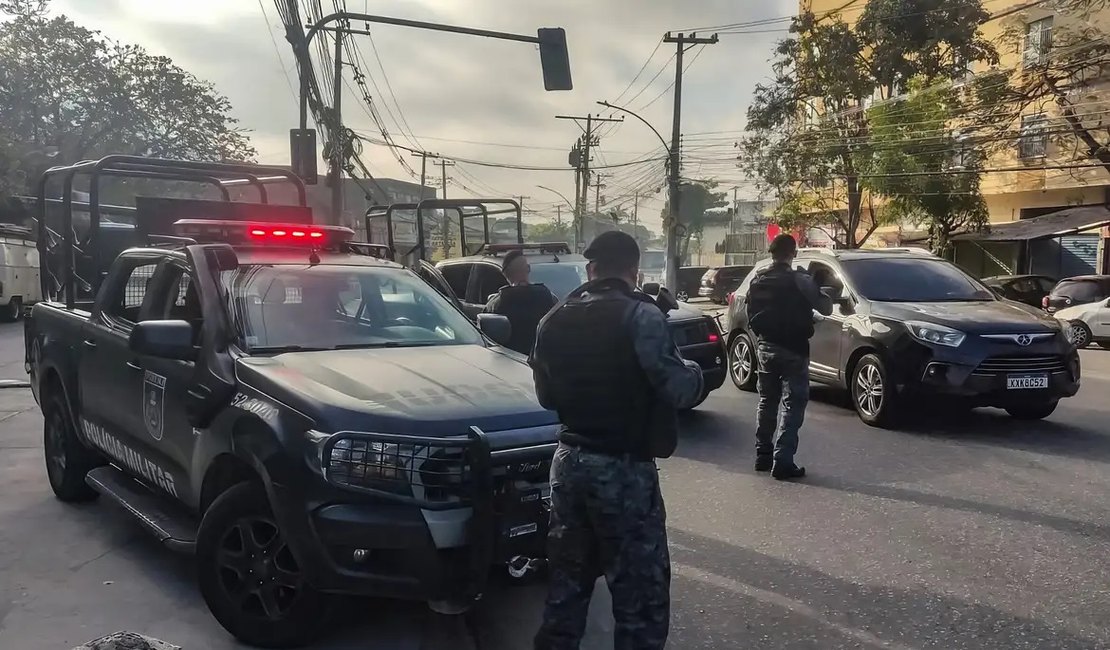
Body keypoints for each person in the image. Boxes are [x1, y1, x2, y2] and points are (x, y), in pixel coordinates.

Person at [530, 230, 704, 650]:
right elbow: (680, 389)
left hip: (568, 463)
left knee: (567, 587)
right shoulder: (642, 316)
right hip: (623, 471)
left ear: (590, 270)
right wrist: (695, 371)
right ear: (633, 270)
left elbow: (545, 396)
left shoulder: (554, 318)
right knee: (639, 598)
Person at [744, 234, 833, 480]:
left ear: (772, 253)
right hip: (793, 350)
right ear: (792, 253)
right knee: (793, 404)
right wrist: (818, 285)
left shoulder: (758, 279)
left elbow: (750, 311)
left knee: (766, 401)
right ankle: (782, 461)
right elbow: (825, 308)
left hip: (765, 347)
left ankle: (762, 455)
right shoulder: (799, 280)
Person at [484, 249, 559, 354]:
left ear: (505, 274)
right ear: (528, 269)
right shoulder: (547, 296)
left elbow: (486, 336)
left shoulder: (497, 303)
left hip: (511, 361)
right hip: (542, 359)